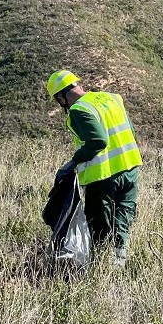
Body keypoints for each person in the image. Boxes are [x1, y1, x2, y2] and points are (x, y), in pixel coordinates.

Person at [47, 70, 142, 266]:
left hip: (104, 177)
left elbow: (98, 140)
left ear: (60, 97)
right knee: (123, 217)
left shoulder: (79, 110)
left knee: (98, 224)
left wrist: (74, 162)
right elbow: (130, 130)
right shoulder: (112, 98)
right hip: (130, 168)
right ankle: (118, 263)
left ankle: (98, 266)